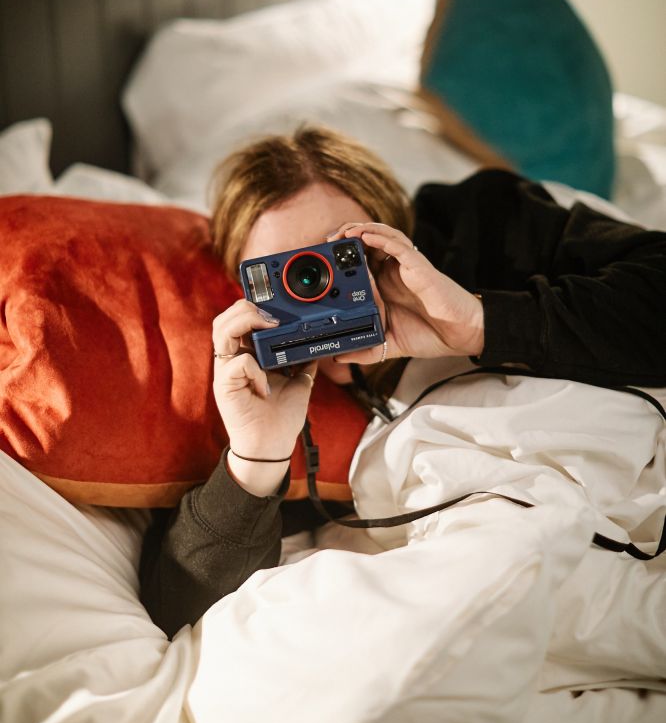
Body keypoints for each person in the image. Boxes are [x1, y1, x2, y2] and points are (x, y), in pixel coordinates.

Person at [139, 125, 666, 638]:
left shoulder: (482, 223)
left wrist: (481, 323)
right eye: (290, 276)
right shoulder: (257, 382)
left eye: (343, 261)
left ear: (395, 234)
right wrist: (257, 456)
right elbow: (178, 610)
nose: (320, 292)